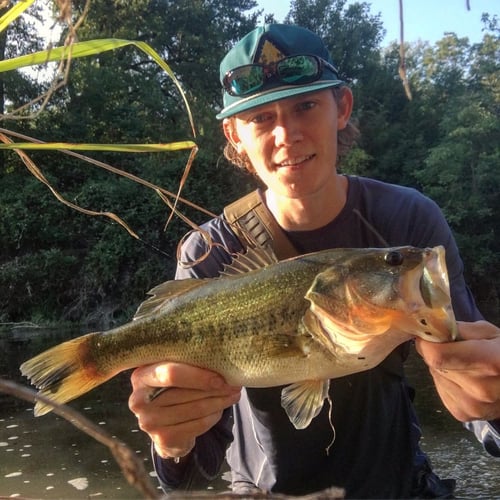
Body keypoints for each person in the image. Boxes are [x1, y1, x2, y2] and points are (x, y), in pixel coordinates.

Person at [128, 24, 500, 498]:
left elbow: (466, 385)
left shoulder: (406, 221)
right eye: (261, 118)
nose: (287, 134)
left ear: (341, 107)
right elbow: (194, 469)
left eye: (306, 105)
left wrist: (490, 407)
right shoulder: (209, 253)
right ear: (234, 135)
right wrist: (171, 443)